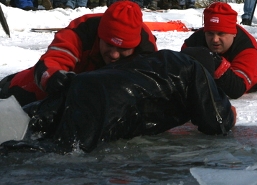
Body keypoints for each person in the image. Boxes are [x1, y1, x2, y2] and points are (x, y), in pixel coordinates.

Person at [1, 49, 236, 154]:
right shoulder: (194, 68)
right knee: (60, 150)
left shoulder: (158, 59)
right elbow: (216, 121)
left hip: (84, 84)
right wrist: (230, 114)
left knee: (29, 121)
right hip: (105, 101)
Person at [0, 0, 158, 106]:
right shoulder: (82, 30)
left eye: (123, 49)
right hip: (25, 90)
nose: (114, 54)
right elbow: (51, 62)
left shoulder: (146, 48)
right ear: (100, 36)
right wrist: (56, 79)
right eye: (109, 45)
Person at [182, 2, 257, 99]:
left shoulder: (247, 48)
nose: (215, 39)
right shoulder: (192, 43)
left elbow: (237, 89)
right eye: (210, 33)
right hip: (247, 61)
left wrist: (214, 61)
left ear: (233, 34)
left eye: (221, 34)